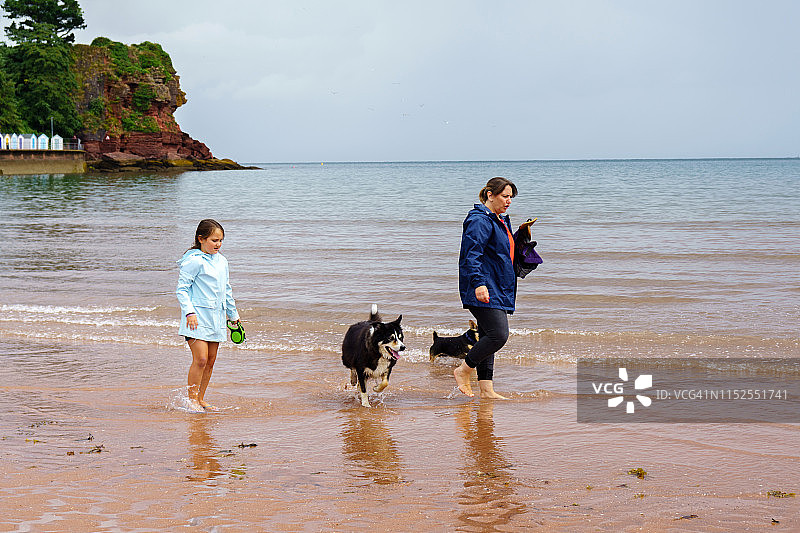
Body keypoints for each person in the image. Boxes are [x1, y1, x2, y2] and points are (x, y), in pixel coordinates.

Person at [453, 177, 518, 399]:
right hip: (483, 286)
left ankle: (486, 389)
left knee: (488, 335)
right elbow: (472, 254)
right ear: (490, 195)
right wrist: (479, 283)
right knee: (499, 335)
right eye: (505, 196)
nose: (509, 201)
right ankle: (463, 371)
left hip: (496, 286)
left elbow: (500, 253)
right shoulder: (479, 220)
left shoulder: (498, 220)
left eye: (511, 197)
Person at [176, 219, 240, 412]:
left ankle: (201, 399)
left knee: (211, 360)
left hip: (217, 317)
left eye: (221, 240)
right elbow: (182, 289)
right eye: (214, 240)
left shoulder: (222, 261)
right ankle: (191, 400)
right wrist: (189, 312)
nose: (218, 244)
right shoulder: (194, 261)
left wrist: (233, 314)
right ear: (201, 239)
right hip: (195, 318)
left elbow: (226, 290)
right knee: (201, 359)